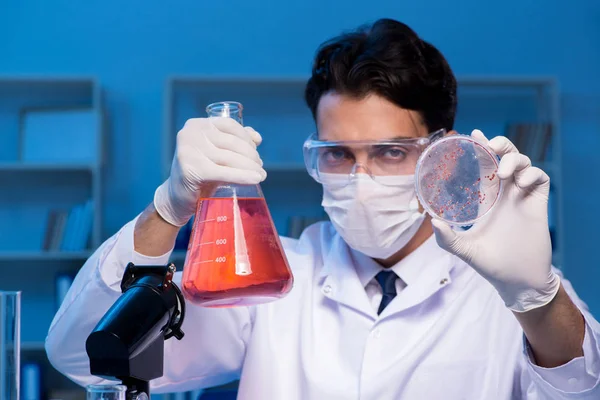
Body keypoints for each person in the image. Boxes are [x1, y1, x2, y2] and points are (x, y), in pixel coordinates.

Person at [46, 18, 600, 399]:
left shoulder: (508, 288)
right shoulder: (272, 279)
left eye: (389, 152)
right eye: (337, 153)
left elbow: (583, 387)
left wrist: (534, 296)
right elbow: (83, 357)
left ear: (442, 154)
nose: (360, 179)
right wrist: (166, 210)